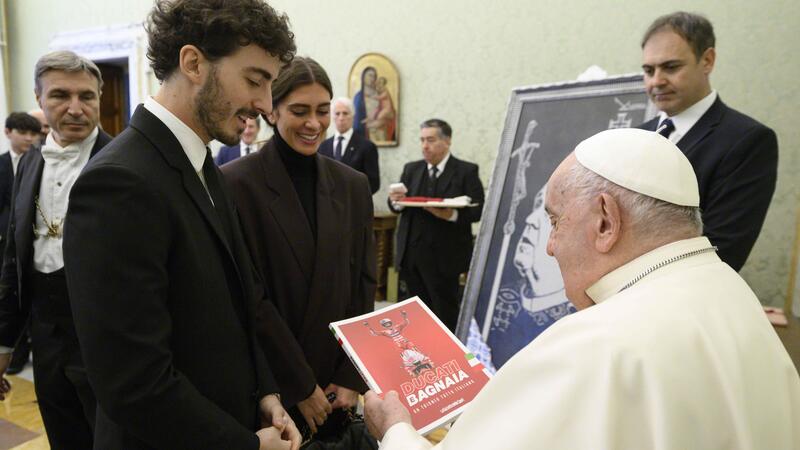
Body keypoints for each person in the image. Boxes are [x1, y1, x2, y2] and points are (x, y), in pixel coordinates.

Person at [365, 128, 800, 449]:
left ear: (606, 221)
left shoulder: (595, 345)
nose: (551, 247)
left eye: (555, 221)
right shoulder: (730, 289)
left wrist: (396, 431)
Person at [61, 1, 301, 449]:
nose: (266, 105)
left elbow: (237, 307)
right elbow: (132, 383)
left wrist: (266, 393)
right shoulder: (119, 183)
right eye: (255, 81)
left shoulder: (202, 164)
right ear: (193, 62)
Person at [221, 56, 376, 441]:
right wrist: (299, 387)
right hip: (273, 389)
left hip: (336, 389)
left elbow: (363, 284)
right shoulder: (235, 184)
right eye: (299, 110)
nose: (314, 123)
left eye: (323, 111)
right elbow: (248, 298)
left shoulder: (353, 185)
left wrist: (350, 375)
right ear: (272, 111)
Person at [0, 50, 113, 449]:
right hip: (45, 342)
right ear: (39, 98)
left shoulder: (123, 164)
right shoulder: (29, 163)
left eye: (87, 96)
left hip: (108, 348)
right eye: (60, 96)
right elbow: (15, 258)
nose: (76, 108)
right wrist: (4, 343)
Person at [637, 11, 778, 271]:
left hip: (681, 298)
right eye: (649, 70)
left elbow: (723, 250)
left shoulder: (748, 140)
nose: (656, 81)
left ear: (707, 60)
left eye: (671, 67)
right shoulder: (634, 136)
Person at [388, 119, 484, 332]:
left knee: (445, 314)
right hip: (411, 255)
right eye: (422, 140)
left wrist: (450, 214)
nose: (424, 145)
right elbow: (397, 206)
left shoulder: (466, 171)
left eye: (430, 140)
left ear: (447, 141)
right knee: (413, 315)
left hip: (445, 257)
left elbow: (478, 211)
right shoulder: (411, 169)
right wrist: (395, 200)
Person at [0, 112, 41, 376]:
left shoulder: (42, 160)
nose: (28, 138)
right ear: (8, 133)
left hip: (33, 242)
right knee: (11, 296)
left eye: (32, 133)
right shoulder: (2, 165)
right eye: (22, 132)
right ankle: (15, 352)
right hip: (5, 245)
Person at [318, 97, 380, 194]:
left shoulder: (367, 146)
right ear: (332, 117)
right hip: (327, 205)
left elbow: (374, 183)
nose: (341, 118)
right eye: (337, 113)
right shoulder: (323, 146)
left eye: (345, 113)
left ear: (353, 116)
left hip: (355, 204)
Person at [365, 77, 395, 142]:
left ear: (384, 84)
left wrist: (369, 96)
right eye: (378, 83)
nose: (379, 85)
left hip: (387, 109)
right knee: (377, 116)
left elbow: (379, 98)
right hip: (382, 109)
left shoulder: (385, 91)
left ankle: (370, 125)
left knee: (379, 117)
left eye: (381, 83)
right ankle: (370, 124)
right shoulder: (379, 91)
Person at [353, 66, 377, 139]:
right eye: (370, 75)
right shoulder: (358, 96)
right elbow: (356, 119)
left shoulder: (379, 95)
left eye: (374, 76)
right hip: (362, 134)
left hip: (378, 132)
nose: (372, 78)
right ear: (363, 77)